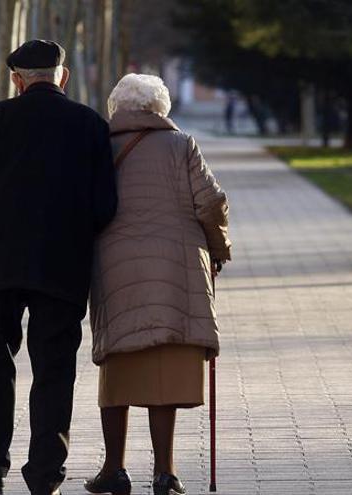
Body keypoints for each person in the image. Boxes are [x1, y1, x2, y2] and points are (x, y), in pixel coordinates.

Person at [0, 40, 118, 495]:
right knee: (55, 369)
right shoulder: (89, 125)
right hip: (61, 266)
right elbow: (105, 206)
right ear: (62, 77)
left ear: (17, 80)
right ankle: (45, 477)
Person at [84, 74, 231, 495]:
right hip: (176, 267)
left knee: (118, 366)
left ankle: (114, 469)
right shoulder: (183, 145)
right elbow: (211, 201)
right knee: (163, 370)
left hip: (115, 266)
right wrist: (219, 247)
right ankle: (165, 472)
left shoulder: (98, 147)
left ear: (118, 107)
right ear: (161, 108)